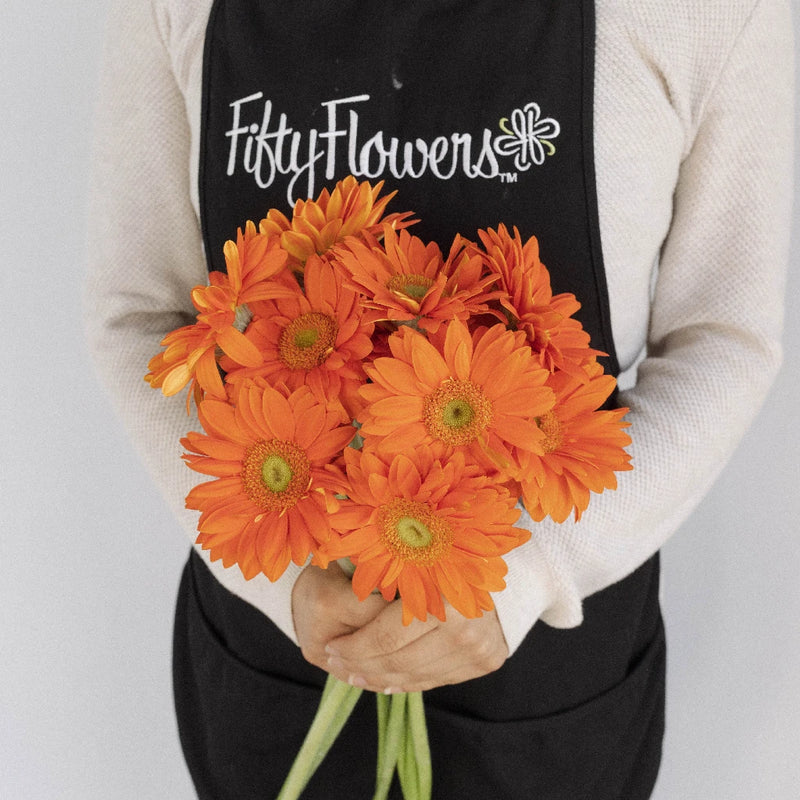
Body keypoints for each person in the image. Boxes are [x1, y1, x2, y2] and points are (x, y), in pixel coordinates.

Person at [84, 1, 794, 798]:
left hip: (550, 661)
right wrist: (279, 584)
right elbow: (139, 317)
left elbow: (724, 337)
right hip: (281, 637)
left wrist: (527, 575)